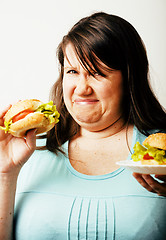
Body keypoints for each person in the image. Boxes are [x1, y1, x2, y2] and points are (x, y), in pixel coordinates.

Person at [0, 11, 166, 240]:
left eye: (97, 73)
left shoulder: (159, 155)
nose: (81, 89)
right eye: (72, 71)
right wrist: (5, 173)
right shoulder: (26, 152)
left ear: (129, 78)